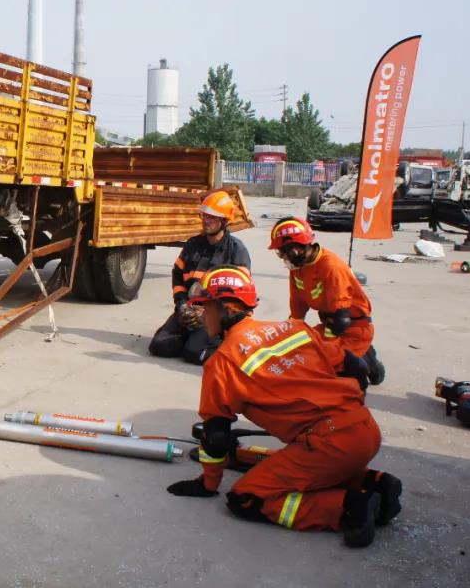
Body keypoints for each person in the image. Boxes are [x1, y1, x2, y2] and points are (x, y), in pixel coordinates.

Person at [165, 266, 402, 548]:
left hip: (328, 446)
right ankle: (377, 483)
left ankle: (349, 507)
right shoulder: (293, 329)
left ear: (226, 309)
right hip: (365, 431)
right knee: (313, 469)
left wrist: (208, 484)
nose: (203, 316)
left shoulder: (223, 362)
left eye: (206, 308)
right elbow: (356, 366)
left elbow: (216, 437)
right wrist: (351, 408)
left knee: (246, 497)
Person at [268, 217, 384, 385]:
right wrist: (289, 335)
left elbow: (340, 321)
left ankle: (364, 363)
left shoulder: (331, 267)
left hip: (353, 327)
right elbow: (297, 306)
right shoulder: (298, 266)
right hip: (330, 323)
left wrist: (327, 351)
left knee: (326, 366)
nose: (282, 257)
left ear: (295, 248)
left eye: (282, 252)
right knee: (300, 351)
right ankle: (359, 355)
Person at [149, 190, 251, 364]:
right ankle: (194, 340)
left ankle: (225, 343)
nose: (205, 221)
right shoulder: (193, 244)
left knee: (194, 353)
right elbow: (178, 278)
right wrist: (182, 306)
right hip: (189, 310)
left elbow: (240, 297)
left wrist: (209, 312)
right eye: (204, 216)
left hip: (215, 316)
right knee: (158, 345)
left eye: (211, 217)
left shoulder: (236, 250)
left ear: (224, 221)